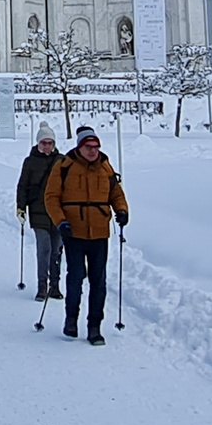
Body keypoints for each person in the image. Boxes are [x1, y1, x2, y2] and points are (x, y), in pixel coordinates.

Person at [45, 126, 128, 345]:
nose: (93, 151)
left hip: (100, 232)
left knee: (98, 281)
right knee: (76, 277)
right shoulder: (64, 167)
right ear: (80, 147)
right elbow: (51, 196)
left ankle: (94, 327)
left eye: (96, 147)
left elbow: (116, 193)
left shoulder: (105, 167)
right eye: (88, 147)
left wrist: (122, 210)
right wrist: (60, 221)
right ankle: (71, 320)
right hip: (74, 232)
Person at [15, 123, 64, 301]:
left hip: (58, 213)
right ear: (38, 143)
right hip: (38, 211)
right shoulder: (30, 162)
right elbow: (23, 186)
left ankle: (55, 285)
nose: (47, 146)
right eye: (43, 143)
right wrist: (21, 207)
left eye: (50, 143)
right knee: (44, 249)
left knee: (56, 250)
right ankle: (42, 285)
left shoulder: (62, 161)